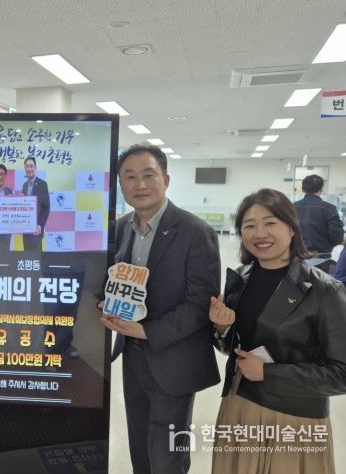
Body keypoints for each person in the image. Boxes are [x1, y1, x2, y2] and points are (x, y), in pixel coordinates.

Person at [100, 143, 221, 474]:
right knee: (139, 447)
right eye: (129, 177)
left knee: (168, 456)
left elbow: (200, 304)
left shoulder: (196, 232)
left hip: (174, 360)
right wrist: (104, 302)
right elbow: (109, 281)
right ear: (120, 184)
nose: (139, 184)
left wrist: (147, 330)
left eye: (148, 175)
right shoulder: (119, 229)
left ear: (165, 180)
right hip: (132, 357)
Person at [210, 188, 346, 473]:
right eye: (249, 225)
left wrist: (268, 373)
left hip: (294, 416)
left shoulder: (324, 289)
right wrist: (222, 327)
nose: (259, 233)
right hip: (239, 404)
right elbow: (233, 348)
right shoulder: (240, 279)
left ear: (291, 228)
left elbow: (342, 373)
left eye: (270, 223)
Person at [294, 174, 344, 257]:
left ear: (303, 189)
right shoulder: (329, 208)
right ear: (321, 189)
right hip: (322, 257)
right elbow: (337, 237)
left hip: (297, 256)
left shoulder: (292, 207)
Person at [21, 156, 50, 251]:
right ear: (25, 169)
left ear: (35, 167)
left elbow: (46, 208)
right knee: (26, 255)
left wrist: (40, 226)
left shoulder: (42, 184)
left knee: (36, 256)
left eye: (31, 166)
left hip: (36, 230)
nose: (29, 169)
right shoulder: (24, 185)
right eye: (27, 166)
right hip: (25, 229)